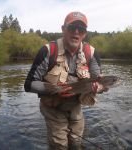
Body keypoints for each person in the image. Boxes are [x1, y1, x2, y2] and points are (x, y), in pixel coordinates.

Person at [24, 11, 102, 150]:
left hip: (76, 106)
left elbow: (99, 82)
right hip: (52, 107)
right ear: (63, 29)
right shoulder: (48, 50)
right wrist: (56, 89)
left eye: (81, 29)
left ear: (85, 33)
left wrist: (98, 88)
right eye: (72, 28)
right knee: (59, 145)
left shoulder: (91, 53)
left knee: (76, 143)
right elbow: (29, 84)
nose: (76, 32)